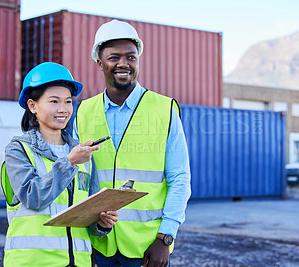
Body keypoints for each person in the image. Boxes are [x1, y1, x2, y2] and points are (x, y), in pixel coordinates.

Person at [76, 20, 191, 267]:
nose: (123, 64)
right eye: (114, 57)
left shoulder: (164, 109)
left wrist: (166, 238)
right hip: (98, 245)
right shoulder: (83, 112)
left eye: (131, 57)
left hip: (147, 248)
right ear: (99, 62)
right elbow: (80, 180)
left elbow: (180, 178)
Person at [1, 62, 118, 267]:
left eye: (68, 101)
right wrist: (70, 162)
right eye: (54, 101)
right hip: (34, 262)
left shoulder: (83, 154)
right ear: (32, 105)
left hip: (78, 263)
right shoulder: (18, 150)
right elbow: (33, 197)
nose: (63, 109)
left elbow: (89, 215)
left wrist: (101, 222)